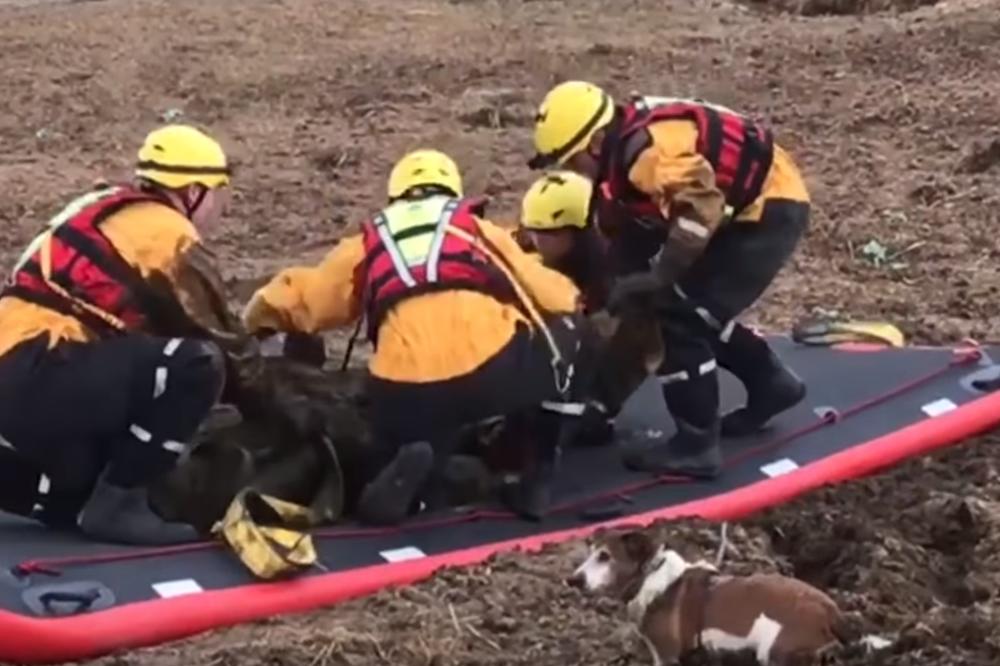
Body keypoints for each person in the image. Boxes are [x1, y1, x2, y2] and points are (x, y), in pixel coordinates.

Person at [241, 149, 584, 523]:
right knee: (573, 334)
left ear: (395, 196)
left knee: (419, 437)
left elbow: (312, 300)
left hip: (403, 391)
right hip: (486, 377)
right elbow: (550, 295)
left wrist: (259, 315)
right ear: (453, 194)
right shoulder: (475, 229)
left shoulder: (369, 241)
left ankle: (415, 488)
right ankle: (536, 477)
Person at [527, 81, 810, 479]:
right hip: (746, 204)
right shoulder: (622, 159)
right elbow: (627, 268)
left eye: (572, 164)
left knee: (682, 316)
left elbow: (701, 204)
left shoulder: (648, 155)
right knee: (670, 304)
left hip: (770, 210)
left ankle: (696, 446)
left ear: (594, 143)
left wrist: (662, 273)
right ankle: (772, 385)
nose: (574, 175)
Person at [0, 124, 235, 544]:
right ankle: (121, 505)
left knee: (81, 486)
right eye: (220, 192)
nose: (223, 207)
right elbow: (225, 341)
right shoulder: (172, 235)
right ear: (195, 190)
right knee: (195, 365)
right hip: (42, 365)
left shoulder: (106, 209)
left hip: (19, 371)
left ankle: (40, 490)